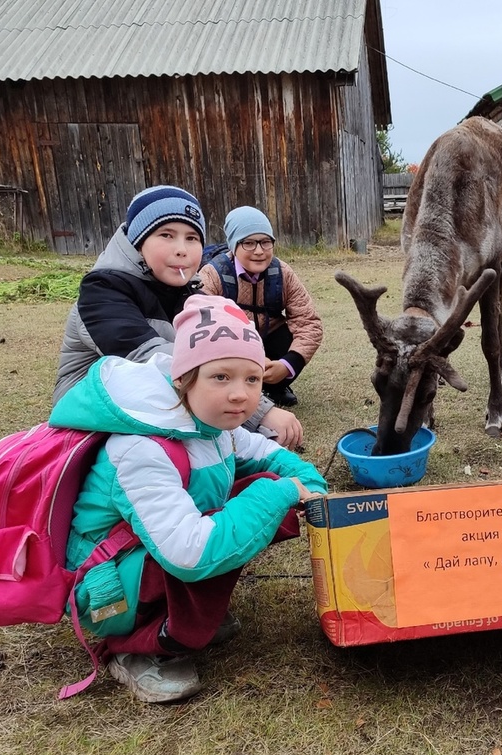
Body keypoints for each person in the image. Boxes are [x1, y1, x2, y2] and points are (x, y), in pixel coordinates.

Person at [48, 295, 328, 703]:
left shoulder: (211, 425)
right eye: (221, 377)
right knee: (256, 503)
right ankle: (131, 647)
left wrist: (307, 483)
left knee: (261, 487)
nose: (240, 395)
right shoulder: (141, 448)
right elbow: (188, 554)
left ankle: (183, 615)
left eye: (251, 379)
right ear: (183, 378)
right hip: (105, 586)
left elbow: (269, 455)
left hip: (147, 551)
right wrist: (280, 492)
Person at [52, 185, 303, 449]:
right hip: (92, 418)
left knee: (237, 448)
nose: (181, 249)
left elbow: (221, 353)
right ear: (138, 242)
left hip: (158, 403)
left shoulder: (190, 292)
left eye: (192, 238)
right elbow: (153, 360)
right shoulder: (102, 291)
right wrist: (261, 412)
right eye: (166, 235)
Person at [198, 205, 323, 408]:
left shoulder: (282, 273)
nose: (259, 251)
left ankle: (275, 387)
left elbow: (308, 322)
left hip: (270, 342)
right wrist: (247, 351)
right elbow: (201, 326)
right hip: (229, 345)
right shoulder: (212, 275)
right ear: (233, 245)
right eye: (248, 243)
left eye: (266, 242)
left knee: (289, 333)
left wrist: (288, 364)